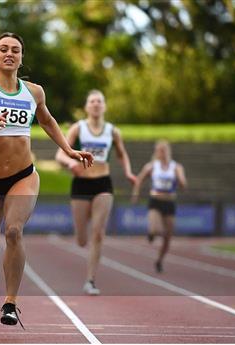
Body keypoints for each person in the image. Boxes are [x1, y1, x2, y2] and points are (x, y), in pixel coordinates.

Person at [0, 32, 94, 327]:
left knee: (14, 232)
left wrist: (69, 150)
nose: (10, 54)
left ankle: (10, 303)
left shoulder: (34, 92)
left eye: (16, 50)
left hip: (24, 176)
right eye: (4, 49)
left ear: (22, 57)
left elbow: (46, 120)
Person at [55, 90, 136, 296]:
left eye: (100, 101)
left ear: (105, 106)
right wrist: (71, 163)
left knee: (98, 233)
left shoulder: (112, 131)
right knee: (82, 239)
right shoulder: (78, 128)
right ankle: (81, 235)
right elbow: (60, 154)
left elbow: (122, 154)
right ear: (87, 106)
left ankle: (90, 280)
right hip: (81, 184)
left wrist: (128, 172)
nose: (96, 104)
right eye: (92, 101)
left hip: (103, 184)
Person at [131, 140, 187, 273]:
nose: (163, 153)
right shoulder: (151, 166)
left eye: (165, 150)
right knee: (155, 229)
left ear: (169, 151)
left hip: (169, 202)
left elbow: (184, 185)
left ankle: (159, 260)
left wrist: (180, 180)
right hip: (155, 201)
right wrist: (135, 194)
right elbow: (139, 179)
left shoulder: (176, 167)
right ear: (156, 152)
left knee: (168, 237)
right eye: (160, 150)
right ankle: (151, 234)